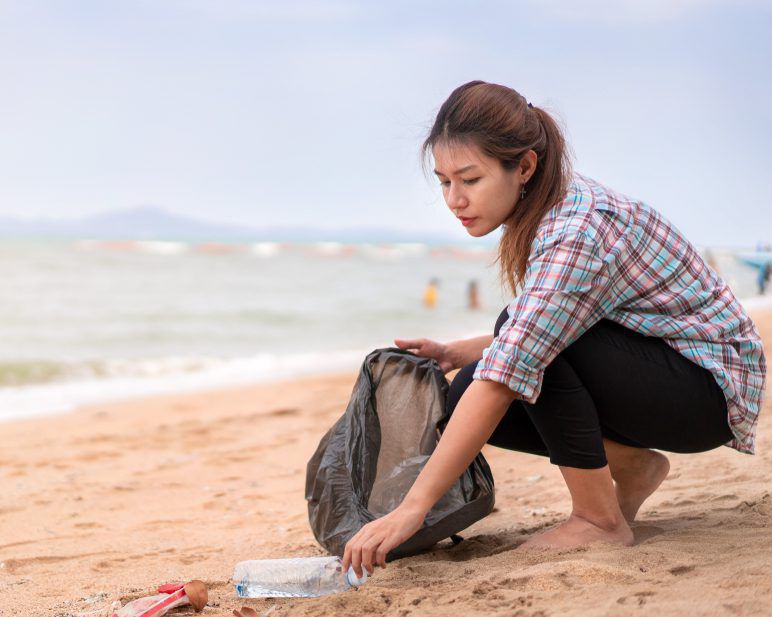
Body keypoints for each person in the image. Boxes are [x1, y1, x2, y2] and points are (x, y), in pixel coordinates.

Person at [342, 81, 766, 577]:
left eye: (470, 179)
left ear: (523, 166)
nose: (454, 199)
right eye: (443, 182)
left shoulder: (577, 230)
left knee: (508, 364)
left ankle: (599, 519)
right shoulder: (550, 204)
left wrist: (410, 510)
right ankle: (632, 465)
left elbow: (526, 351)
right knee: (470, 387)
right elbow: (558, 325)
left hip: (708, 388)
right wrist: (459, 352)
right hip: (665, 370)